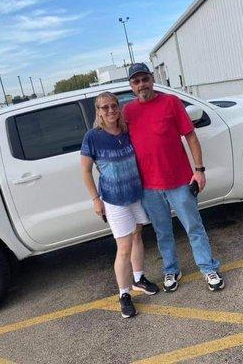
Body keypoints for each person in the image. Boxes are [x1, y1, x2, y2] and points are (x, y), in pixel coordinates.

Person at [123, 63, 224, 293]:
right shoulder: (128, 112)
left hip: (180, 181)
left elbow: (190, 137)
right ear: (131, 87)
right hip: (149, 187)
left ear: (152, 79)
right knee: (163, 232)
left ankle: (208, 267)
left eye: (145, 79)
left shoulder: (170, 102)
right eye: (136, 82)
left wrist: (199, 170)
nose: (142, 85)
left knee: (194, 227)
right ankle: (171, 268)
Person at [80, 91, 159, 318]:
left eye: (114, 105)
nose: (111, 110)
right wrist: (96, 199)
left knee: (137, 235)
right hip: (114, 199)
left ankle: (138, 279)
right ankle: (124, 294)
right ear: (98, 111)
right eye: (105, 107)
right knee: (123, 247)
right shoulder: (93, 137)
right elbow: (85, 170)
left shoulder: (126, 131)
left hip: (135, 194)